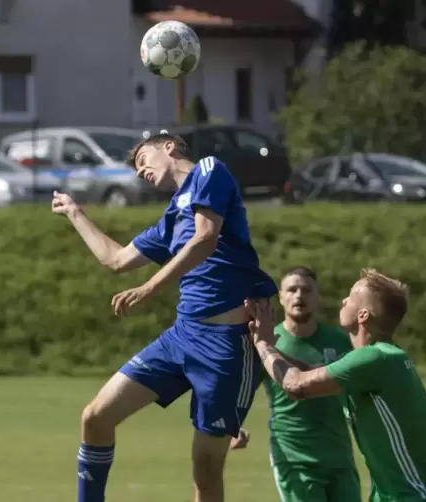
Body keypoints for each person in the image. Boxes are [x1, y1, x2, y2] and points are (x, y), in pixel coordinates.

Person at [51, 132, 277, 502]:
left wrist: (150, 288)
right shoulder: (172, 218)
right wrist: (76, 213)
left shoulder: (208, 170)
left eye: (143, 159)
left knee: (205, 471)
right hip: (181, 338)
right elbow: (117, 259)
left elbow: (206, 238)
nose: (140, 171)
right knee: (95, 417)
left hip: (226, 347)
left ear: (169, 147)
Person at [244, 268, 426, 502]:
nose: (343, 300)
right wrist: (272, 348)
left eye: (351, 297)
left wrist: (263, 344)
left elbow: (297, 385)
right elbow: (309, 373)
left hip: (423, 495)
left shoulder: (376, 358)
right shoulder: (377, 358)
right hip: (391, 495)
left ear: (363, 315)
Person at [232, 266, 362, 502]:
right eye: (292, 290)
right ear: (280, 297)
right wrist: (233, 424)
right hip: (295, 459)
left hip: (340, 458)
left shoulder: (340, 341)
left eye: (306, 290)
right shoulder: (268, 342)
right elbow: (241, 388)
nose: (299, 296)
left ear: (318, 296)